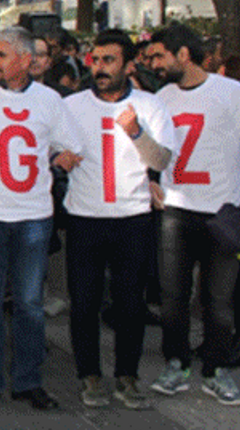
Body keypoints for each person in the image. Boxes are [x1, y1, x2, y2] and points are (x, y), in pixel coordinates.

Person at [0, 27, 83, 411]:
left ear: (26, 60)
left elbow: (72, 145)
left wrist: (64, 157)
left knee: (28, 303)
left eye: (2, 55)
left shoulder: (49, 101)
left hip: (33, 215)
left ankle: (28, 381)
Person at [62, 30, 176, 410]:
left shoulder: (151, 105)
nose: (100, 68)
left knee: (130, 302)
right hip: (84, 216)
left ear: (130, 65)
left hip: (132, 217)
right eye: (96, 60)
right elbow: (49, 147)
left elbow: (161, 161)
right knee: (84, 302)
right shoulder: (72, 105)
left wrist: (136, 132)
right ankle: (89, 374)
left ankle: (127, 374)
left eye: (109, 60)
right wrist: (57, 159)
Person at [145, 24, 240, 406]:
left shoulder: (232, 94)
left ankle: (216, 369)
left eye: (159, 55)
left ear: (183, 55)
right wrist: (149, 180)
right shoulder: (162, 98)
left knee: (219, 299)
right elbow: (154, 151)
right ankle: (176, 362)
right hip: (177, 207)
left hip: (223, 210)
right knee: (173, 295)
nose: (153, 63)